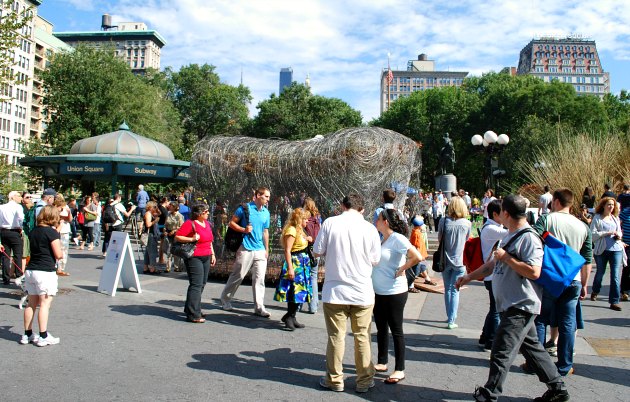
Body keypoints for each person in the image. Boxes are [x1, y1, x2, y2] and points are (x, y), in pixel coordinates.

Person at [457, 194, 569, 402]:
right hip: (511, 303)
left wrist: (507, 258)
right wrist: (469, 276)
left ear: (506, 214)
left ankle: (489, 393)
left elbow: (534, 272)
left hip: (521, 304)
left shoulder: (529, 237)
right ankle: (558, 389)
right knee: (533, 349)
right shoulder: (509, 234)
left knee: (501, 350)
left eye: (501, 213)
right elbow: (493, 264)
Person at [313, 194, 380, 393]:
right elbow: (376, 259)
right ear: (363, 209)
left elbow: (317, 250)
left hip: (335, 290)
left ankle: (335, 380)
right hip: (362, 291)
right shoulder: (370, 228)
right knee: (362, 337)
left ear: (342, 206)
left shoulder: (330, 223)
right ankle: (364, 381)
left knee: (336, 336)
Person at [533, 188, 592, 377]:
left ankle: (536, 363)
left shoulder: (547, 220)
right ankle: (565, 366)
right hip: (573, 279)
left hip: (550, 276)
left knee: (541, 319)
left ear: (556, 201)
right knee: (568, 323)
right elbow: (587, 257)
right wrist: (584, 283)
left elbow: (533, 242)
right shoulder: (583, 226)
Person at [372, 208, 421, 384]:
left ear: (385, 221)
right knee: (381, 327)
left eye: (378, 219)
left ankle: (400, 369)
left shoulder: (397, 238)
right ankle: (382, 361)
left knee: (396, 329)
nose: (375, 221)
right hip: (379, 291)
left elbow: (417, 256)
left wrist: (402, 269)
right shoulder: (382, 239)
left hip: (394, 292)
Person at [220, 187, 272, 317]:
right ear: (258, 195)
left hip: (260, 249)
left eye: (268, 197)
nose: (268, 199)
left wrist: (267, 249)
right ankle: (225, 299)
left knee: (260, 279)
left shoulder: (266, 212)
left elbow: (265, 231)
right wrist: (244, 230)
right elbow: (231, 223)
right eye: (266, 196)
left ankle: (259, 307)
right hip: (245, 247)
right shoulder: (245, 208)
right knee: (238, 275)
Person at [21, 205, 64, 347]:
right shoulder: (51, 233)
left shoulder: (33, 231)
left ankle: (27, 334)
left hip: (31, 269)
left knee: (31, 303)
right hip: (45, 271)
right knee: (44, 305)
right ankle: (43, 335)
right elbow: (58, 255)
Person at [175, 203, 216, 323]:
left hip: (206, 255)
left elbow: (210, 241)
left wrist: (212, 254)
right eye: (206, 211)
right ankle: (193, 314)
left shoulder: (207, 224)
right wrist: (192, 239)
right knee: (196, 284)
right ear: (199, 214)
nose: (208, 213)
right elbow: (178, 237)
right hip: (194, 256)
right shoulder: (190, 223)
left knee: (202, 283)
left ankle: (192, 308)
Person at [274, 208, 313, 330]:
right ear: (299, 219)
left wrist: (308, 239)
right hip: (295, 264)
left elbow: (300, 243)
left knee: (300, 292)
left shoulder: (300, 230)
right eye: (305, 218)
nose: (307, 220)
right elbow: (287, 250)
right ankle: (289, 317)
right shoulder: (291, 230)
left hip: (303, 265)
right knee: (294, 291)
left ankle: (292, 316)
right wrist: (290, 268)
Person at [478, 199, 508, 351]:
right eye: (504, 213)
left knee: (493, 309)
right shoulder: (491, 229)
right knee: (496, 310)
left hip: (492, 274)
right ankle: (492, 341)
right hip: (491, 274)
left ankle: (485, 337)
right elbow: (515, 230)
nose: (506, 216)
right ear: (495, 214)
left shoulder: (492, 226)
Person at [438, 196, 471, 329]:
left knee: (447, 289)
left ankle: (449, 316)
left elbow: (440, 239)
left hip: (444, 260)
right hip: (460, 260)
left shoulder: (443, 221)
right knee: (455, 290)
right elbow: (467, 240)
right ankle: (452, 319)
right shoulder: (467, 223)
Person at [590, 197, 624, 311]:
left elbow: (619, 231)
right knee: (600, 272)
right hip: (602, 250)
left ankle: (614, 301)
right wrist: (606, 233)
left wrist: (618, 235)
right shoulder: (597, 218)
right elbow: (592, 235)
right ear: (603, 205)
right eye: (609, 204)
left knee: (615, 275)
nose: (611, 207)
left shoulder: (615, 218)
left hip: (616, 249)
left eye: (613, 205)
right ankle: (595, 290)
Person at [302, 197, 321, 314]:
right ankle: (313, 306)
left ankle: (298, 305)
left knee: (303, 277)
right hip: (315, 250)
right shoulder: (318, 218)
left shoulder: (304, 218)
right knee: (313, 277)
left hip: (305, 249)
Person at [0, 191, 24, 284]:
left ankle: (6, 278)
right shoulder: (18, 207)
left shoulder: (2, 207)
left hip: (4, 231)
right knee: (18, 255)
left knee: (5, 256)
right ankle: (18, 276)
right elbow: (21, 218)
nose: (20, 198)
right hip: (15, 231)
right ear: (13, 197)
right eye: (18, 196)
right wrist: (22, 228)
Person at [408, 216, 434, 291]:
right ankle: (411, 286)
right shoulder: (416, 233)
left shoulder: (416, 232)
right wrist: (418, 257)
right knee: (414, 271)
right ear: (419, 226)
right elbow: (417, 246)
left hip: (420, 255)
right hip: (418, 256)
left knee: (423, 267)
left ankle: (427, 279)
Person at [53, 195, 71, 276]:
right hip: (56, 229)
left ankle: (61, 268)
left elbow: (69, 219)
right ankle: (55, 267)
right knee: (56, 249)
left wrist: (69, 212)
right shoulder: (53, 207)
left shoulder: (65, 206)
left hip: (64, 230)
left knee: (64, 250)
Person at [164, 201, 185, 272]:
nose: (169, 207)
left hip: (176, 235)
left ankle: (177, 266)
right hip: (168, 233)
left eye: (171, 206)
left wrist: (174, 231)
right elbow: (165, 224)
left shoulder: (179, 216)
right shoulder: (168, 214)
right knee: (168, 251)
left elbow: (182, 226)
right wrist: (165, 230)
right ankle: (168, 267)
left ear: (175, 207)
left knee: (176, 250)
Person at [143, 201, 161, 274]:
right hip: (151, 234)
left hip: (151, 234)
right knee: (152, 252)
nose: (155, 208)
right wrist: (155, 221)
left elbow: (160, 213)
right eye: (154, 207)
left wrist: (157, 208)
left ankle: (146, 267)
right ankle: (152, 268)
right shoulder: (148, 214)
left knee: (147, 252)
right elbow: (148, 224)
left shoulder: (151, 213)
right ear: (150, 207)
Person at [157, 197, 169, 265]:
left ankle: (161, 258)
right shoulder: (163, 209)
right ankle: (161, 259)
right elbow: (166, 219)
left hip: (159, 226)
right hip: (162, 227)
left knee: (161, 243)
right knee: (162, 243)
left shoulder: (159, 207)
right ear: (165, 201)